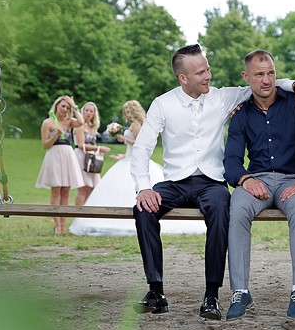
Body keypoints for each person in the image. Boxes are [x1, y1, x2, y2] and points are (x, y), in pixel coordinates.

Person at [130, 44, 295, 321]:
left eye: (208, 69)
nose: (208, 76)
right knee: (143, 209)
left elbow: (264, 83)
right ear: (183, 78)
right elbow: (142, 147)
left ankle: (211, 295)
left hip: (211, 181)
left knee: (221, 208)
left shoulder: (221, 97)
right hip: (175, 182)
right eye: (201, 72)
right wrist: (143, 186)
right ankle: (156, 290)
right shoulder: (162, 104)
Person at [222, 50, 295, 321]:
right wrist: (245, 180)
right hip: (258, 181)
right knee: (238, 208)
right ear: (247, 77)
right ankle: (240, 292)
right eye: (259, 74)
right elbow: (231, 159)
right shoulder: (241, 115)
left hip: (294, 179)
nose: (266, 80)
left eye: (271, 73)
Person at [69, 100, 206, 236]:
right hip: (128, 158)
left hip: (134, 161)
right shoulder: (134, 124)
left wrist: (124, 140)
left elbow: (140, 143)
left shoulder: (135, 125)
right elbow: (133, 148)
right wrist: (123, 155)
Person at [35, 95, 85, 234]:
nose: (65, 109)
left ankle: (63, 224)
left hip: (68, 155)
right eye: (63, 106)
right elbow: (45, 144)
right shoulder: (48, 123)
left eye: (67, 107)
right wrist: (56, 134)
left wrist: (74, 106)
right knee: (56, 191)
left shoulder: (69, 121)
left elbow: (81, 122)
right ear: (56, 106)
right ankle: (56, 225)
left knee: (66, 192)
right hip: (54, 155)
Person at [73, 102, 111, 206]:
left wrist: (98, 152)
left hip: (91, 158)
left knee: (93, 188)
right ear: (83, 111)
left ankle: (87, 215)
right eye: (86, 110)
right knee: (84, 188)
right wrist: (99, 148)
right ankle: (78, 216)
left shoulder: (92, 127)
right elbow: (81, 145)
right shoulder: (79, 125)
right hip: (81, 156)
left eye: (91, 111)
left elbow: (92, 143)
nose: (88, 113)